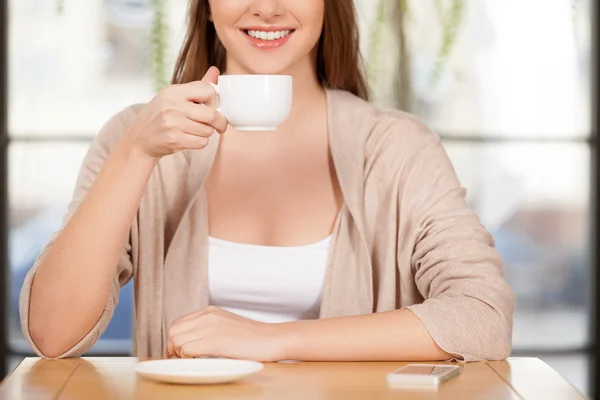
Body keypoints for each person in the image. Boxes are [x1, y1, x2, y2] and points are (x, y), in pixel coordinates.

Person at [20, 0, 514, 362]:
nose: (268, 8)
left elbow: (483, 318)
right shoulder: (138, 138)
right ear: (207, 7)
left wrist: (268, 340)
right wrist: (135, 152)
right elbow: (53, 334)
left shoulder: (397, 149)